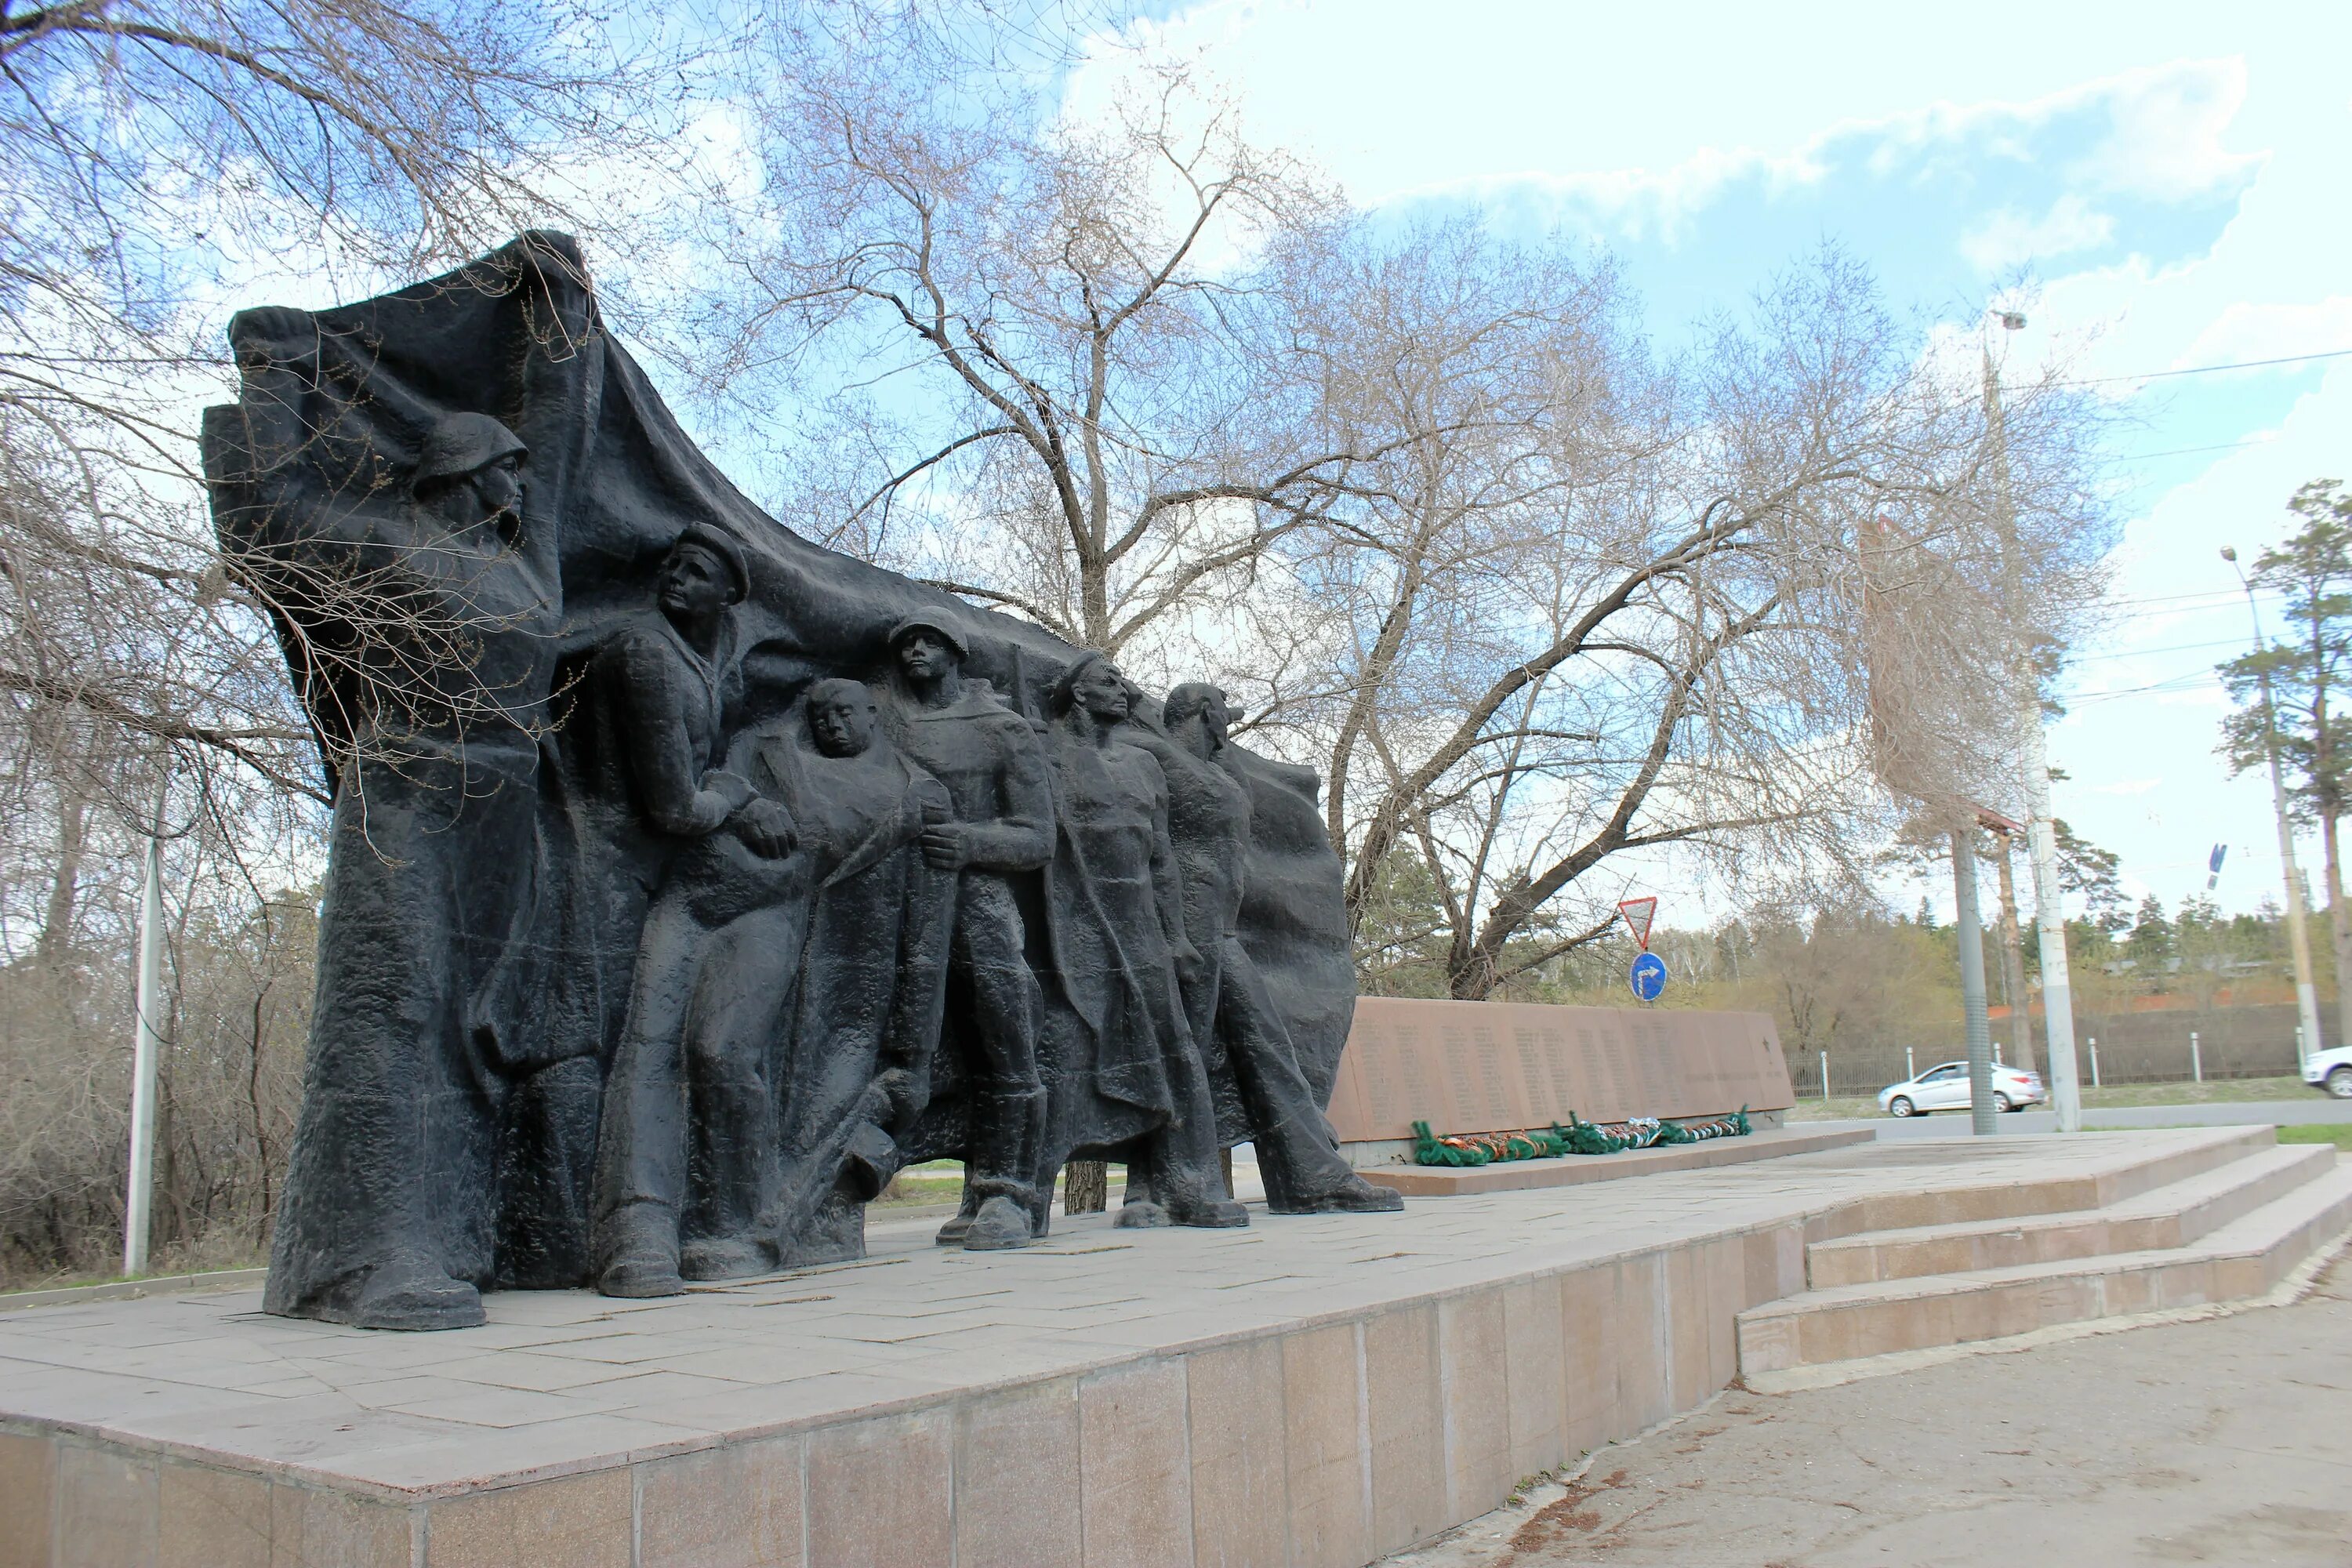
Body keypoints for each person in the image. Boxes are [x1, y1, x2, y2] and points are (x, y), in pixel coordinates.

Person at [263, 411, 568, 1330]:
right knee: (400, 1003)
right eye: (505, 466)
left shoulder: (525, 567)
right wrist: (274, 380)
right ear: (463, 471)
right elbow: (269, 508)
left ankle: (461, 1234)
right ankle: (381, 1250)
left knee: (479, 1023)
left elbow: (563, 422)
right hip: (408, 791)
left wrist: (557, 306)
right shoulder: (386, 543)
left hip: (507, 803)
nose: (520, 481)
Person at [589, 525, 800, 1297]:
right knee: (644, 1047)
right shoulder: (648, 652)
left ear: (726, 595)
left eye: (698, 570)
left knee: (683, 1045)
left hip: (669, 879)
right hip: (615, 875)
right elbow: (677, 806)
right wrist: (740, 797)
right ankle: (635, 1234)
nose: (677, 577)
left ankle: (707, 1220)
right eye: (673, 564)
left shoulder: (705, 659)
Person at [1152, 684, 1402, 1214]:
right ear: (1204, 715)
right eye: (1222, 716)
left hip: (1221, 931)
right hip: (1182, 932)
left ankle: (1308, 1177)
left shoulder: (1217, 771)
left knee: (1266, 1044)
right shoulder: (1154, 758)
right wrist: (1171, 935)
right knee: (1183, 1055)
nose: (1228, 727)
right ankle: (1168, 1183)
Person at [1044, 654, 1248, 1232]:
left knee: (1175, 1048)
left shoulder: (1141, 764)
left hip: (1143, 924)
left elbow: (1161, 858)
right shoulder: (1047, 750)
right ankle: (1019, 1193)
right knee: (1067, 1047)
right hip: (1073, 916)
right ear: (1079, 696)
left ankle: (1186, 1183)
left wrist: (1177, 936)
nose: (1126, 690)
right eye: (1109, 682)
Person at [887, 616, 1055, 1250]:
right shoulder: (888, 724)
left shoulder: (1001, 729)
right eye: (906, 645)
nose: (916, 652)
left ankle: (1009, 1193)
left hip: (976, 902)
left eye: (928, 641)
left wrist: (971, 841)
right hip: (898, 902)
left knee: (1004, 1035)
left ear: (957, 653)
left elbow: (1038, 837)